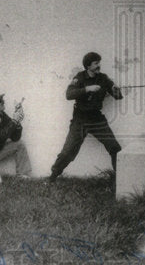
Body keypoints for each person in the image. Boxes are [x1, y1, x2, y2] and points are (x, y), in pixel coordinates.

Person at [49, 52, 124, 181]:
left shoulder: (104, 78)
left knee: (114, 147)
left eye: (99, 62)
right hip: (80, 119)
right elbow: (69, 94)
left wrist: (116, 90)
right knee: (68, 152)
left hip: (97, 119)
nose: (99, 65)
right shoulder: (80, 77)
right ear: (88, 66)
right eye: (96, 63)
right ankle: (53, 177)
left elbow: (118, 96)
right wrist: (87, 89)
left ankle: (122, 180)